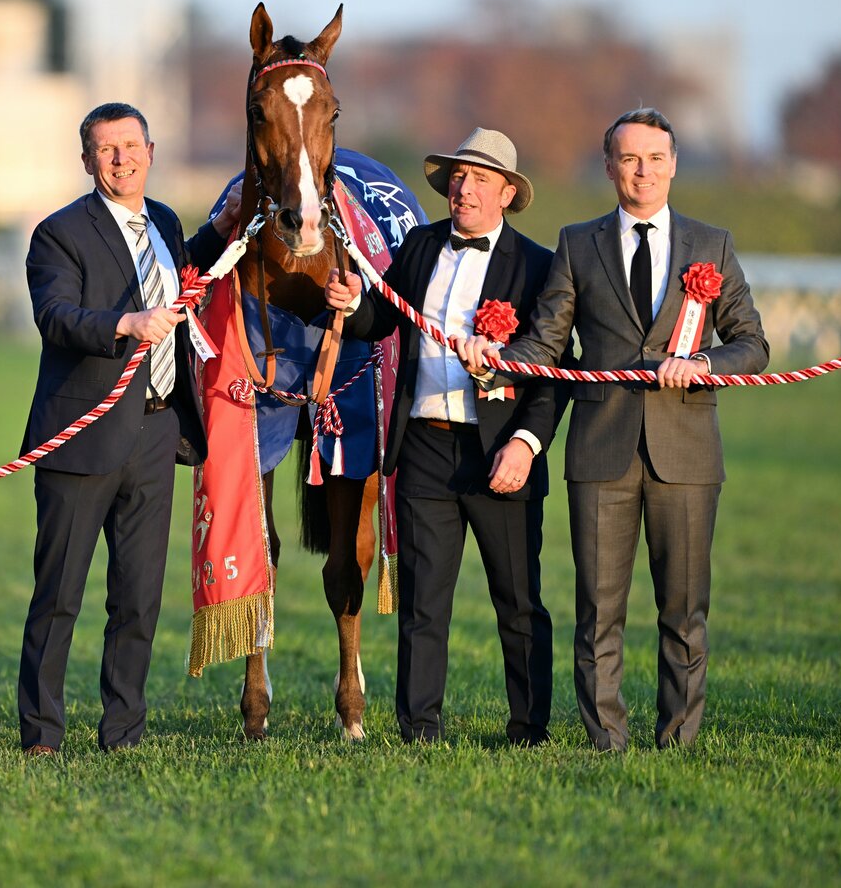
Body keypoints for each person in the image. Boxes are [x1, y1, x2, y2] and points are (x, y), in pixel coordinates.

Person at [459, 108, 769, 751]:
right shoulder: (578, 243)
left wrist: (703, 362)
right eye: (629, 159)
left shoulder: (710, 245)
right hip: (599, 452)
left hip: (686, 453)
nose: (643, 171)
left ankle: (678, 737)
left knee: (684, 610)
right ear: (609, 168)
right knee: (599, 610)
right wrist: (498, 361)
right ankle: (606, 738)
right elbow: (546, 341)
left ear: (674, 164)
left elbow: (753, 344)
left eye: (655, 158)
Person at [324, 128, 564, 746]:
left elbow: (556, 373)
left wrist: (527, 445)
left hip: (500, 448)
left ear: (507, 193)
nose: (464, 187)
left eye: (480, 178)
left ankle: (529, 729)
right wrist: (354, 303)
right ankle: (418, 729)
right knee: (423, 602)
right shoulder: (421, 245)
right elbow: (384, 319)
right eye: (458, 176)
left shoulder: (538, 266)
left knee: (517, 602)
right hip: (424, 445)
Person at [17, 102, 232, 755]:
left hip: (157, 433)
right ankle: (43, 734)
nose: (121, 158)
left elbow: (184, 279)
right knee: (59, 596)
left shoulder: (165, 221)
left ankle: (123, 732)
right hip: (83, 433)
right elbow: (55, 314)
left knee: (137, 598)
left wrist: (227, 229)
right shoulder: (59, 234)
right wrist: (124, 325)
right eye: (106, 149)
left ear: (151, 150)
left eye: (131, 146)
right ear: (87, 160)